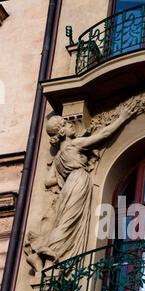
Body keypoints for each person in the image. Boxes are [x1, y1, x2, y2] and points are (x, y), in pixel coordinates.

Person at [26, 105, 134, 271]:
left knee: (65, 221)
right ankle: (49, 256)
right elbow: (103, 134)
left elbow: (48, 181)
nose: (71, 125)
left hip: (68, 185)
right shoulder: (74, 145)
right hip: (78, 181)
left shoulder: (59, 156)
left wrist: (65, 176)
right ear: (62, 132)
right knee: (69, 223)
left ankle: (47, 257)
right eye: (67, 125)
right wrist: (122, 118)